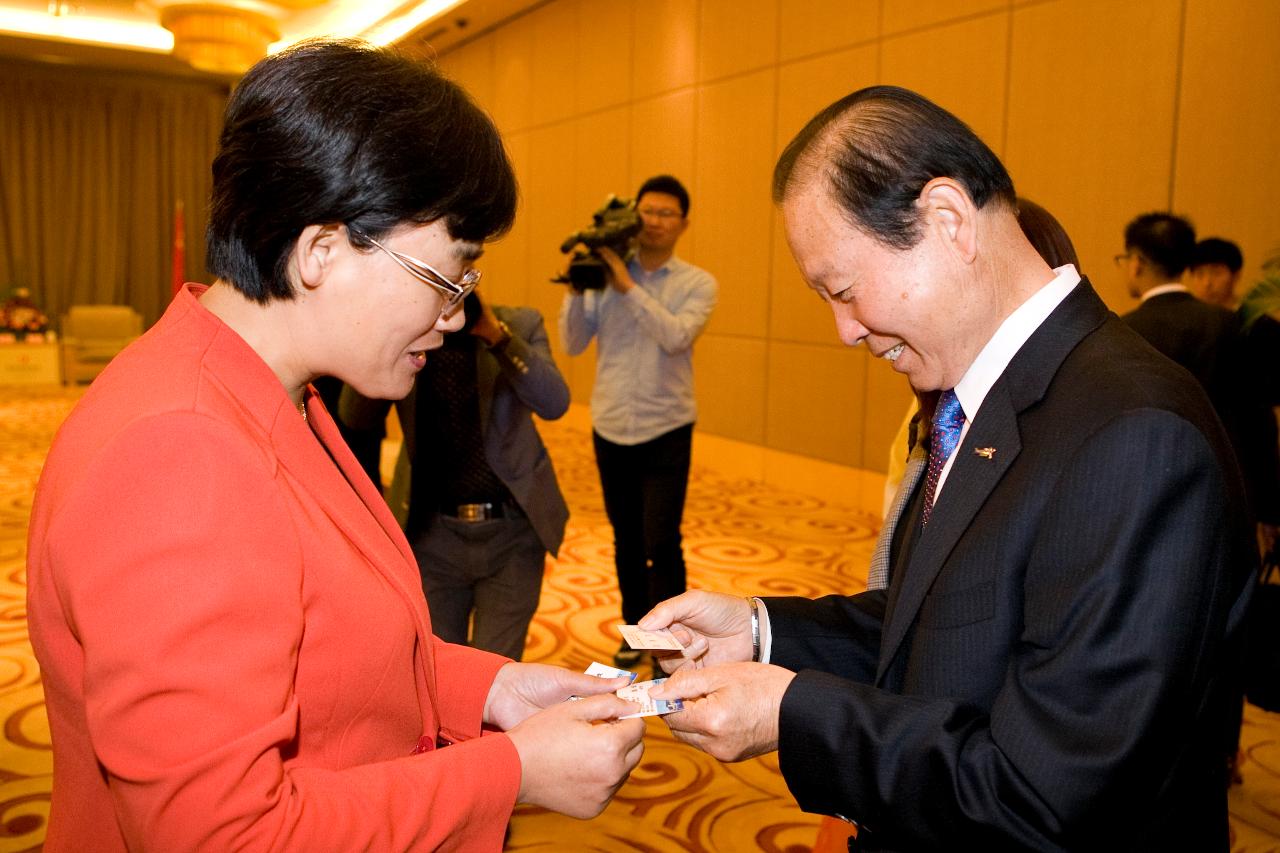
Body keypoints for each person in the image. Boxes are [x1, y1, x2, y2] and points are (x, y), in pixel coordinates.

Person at [26, 40, 644, 851]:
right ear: (322, 250)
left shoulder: (275, 392)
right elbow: (220, 835)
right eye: (447, 278)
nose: (457, 316)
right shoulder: (179, 455)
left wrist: (495, 687)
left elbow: (332, 650)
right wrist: (512, 771)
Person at [640, 85, 1256, 850]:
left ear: (948, 221)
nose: (843, 330)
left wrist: (789, 712)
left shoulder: (1132, 436)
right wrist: (763, 633)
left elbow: (1042, 796)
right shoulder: (991, 400)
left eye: (843, 289)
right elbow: (947, 626)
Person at [340, 290, 570, 660]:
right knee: (439, 667)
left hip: (512, 530)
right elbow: (355, 416)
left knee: (496, 667)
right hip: (432, 534)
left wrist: (498, 337)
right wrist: (387, 340)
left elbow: (555, 402)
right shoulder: (412, 335)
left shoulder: (520, 323)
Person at [558, 174, 717, 668]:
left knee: (661, 539)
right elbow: (571, 342)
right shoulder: (606, 274)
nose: (654, 221)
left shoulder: (697, 283)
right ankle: (637, 634)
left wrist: (627, 289)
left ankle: (669, 643)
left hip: (665, 426)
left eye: (666, 213)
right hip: (610, 423)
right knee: (625, 538)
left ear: (683, 223)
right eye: (647, 210)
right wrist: (579, 285)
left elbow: (675, 337)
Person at [1189, 237, 1245, 308]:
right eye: (1200, 274)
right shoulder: (1188, 316)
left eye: (1216, 273)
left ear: (1236, 276)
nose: (1207, 283)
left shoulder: (1252, 316)